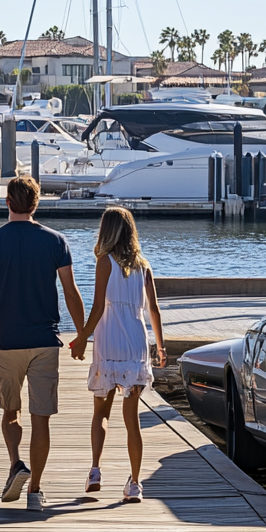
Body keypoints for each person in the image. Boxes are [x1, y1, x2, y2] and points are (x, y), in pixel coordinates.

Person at [0, 175, 85, 510]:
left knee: (10, 412)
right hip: (46, 341)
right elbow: (70, 291)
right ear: (37, 204)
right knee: (41, 418)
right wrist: (81, 334)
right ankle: (35, 490)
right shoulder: (56, 241)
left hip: (5, 342)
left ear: (7, 202)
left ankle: (16, 462)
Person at [70, 207, 166, 503]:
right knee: (131, 417)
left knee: (101, 411)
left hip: (109, 339)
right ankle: (135, 484)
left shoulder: (104, 262)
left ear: (106, 231)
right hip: (135, 342)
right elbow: (154, 310)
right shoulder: (144, 266)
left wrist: (81, 338)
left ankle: (96, 470)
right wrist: (160, 348)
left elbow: (98, 308)